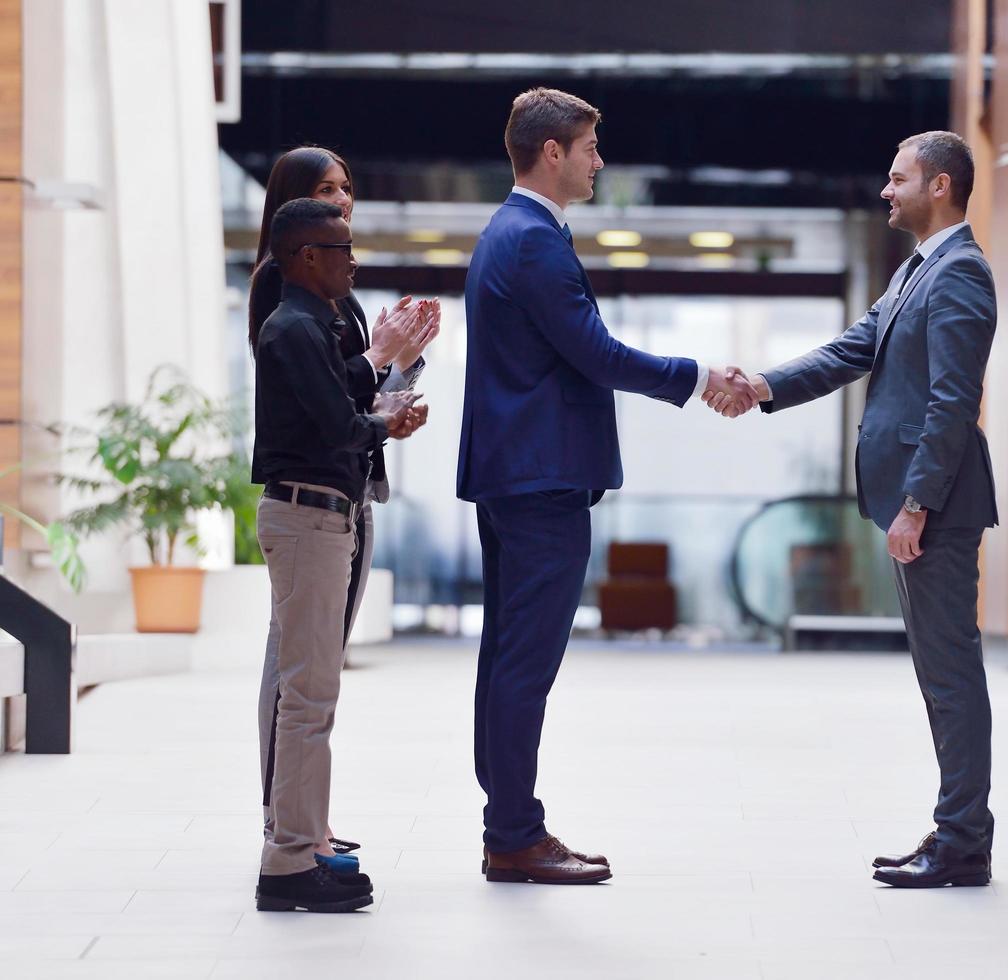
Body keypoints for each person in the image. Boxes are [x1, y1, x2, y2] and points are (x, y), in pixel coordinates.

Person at [456, 87, 755, 885]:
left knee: (507, 660)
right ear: (550, 152)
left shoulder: (507, 232)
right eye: (589, 147)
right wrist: (694, 376)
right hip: (540, 477)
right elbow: (594, 351)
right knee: (524, 664)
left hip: (516, 474)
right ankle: (514, 835)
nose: (598, 161)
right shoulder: (533, 241)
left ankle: (508, 828)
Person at [715, 130, 1000, 888]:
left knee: (949, 673)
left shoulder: (961, 271)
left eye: (897, 177)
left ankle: (963, 840)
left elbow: (952, 403)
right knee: (940, 671)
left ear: (938, 186)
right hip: (917, 503)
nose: (884, 190)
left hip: (933, 505)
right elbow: (851, 349)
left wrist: (917, 504)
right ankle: (957, 832)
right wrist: (762, 386)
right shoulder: (918, 270)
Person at [247, 146, 437, 869]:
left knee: (313, 675)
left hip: (343, 489)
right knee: (301, 679)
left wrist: (399, 362)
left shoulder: (330, 291)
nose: (343, 201)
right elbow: (327, 398)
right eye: (326, 192)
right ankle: (287, 828)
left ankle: (298, 823)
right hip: (311, 496)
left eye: (347, 189)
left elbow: (352, 389)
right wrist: (380, 376)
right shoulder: (284, 292)